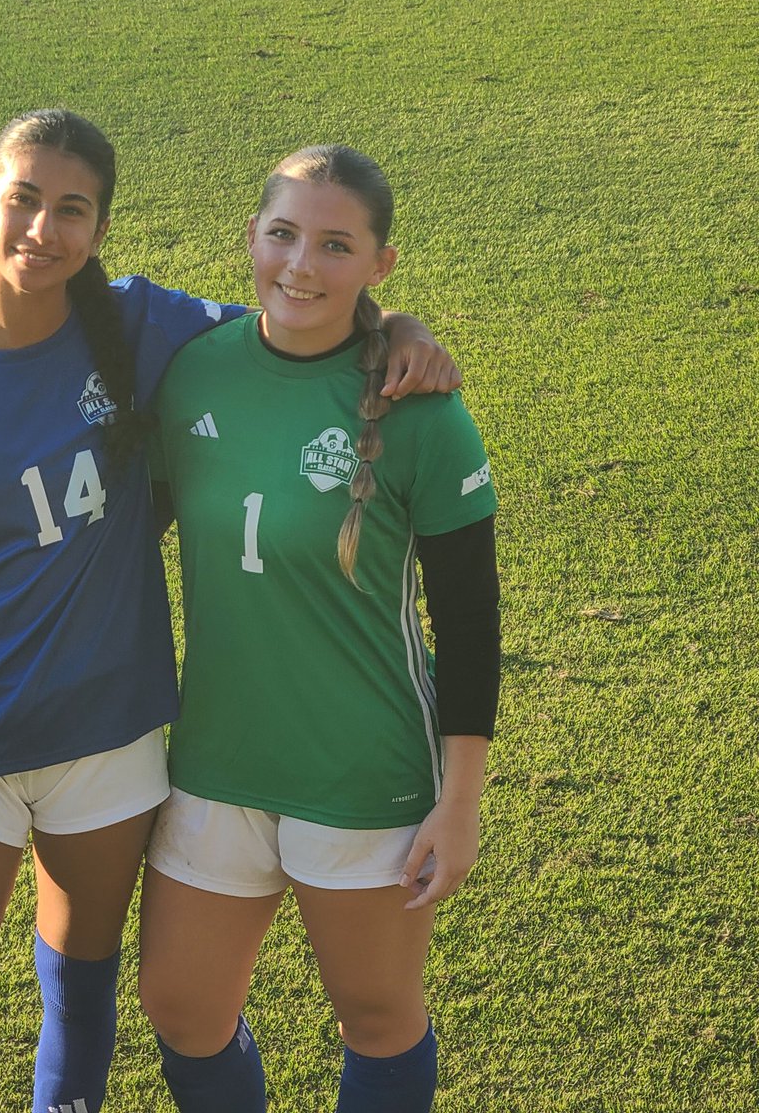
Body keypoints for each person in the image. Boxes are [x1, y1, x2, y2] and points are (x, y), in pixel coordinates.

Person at [0, 110, 460, 1113]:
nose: (43, 229)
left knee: (83, 998)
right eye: (24, 200)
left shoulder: (137, 323)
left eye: (71, 210)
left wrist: (397, 325)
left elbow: (298, 307)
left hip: (112, 739)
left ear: (99, 226)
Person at [139, 144, 500, 1113]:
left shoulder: (422, 410)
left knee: (376, 1015)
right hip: (217, 759)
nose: (301, 265)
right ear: (249, 239)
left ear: (381, 265)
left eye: (336, 245)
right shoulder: (190, 376)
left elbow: (470, 622)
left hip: (364, 771)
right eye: (284, 234)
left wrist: (459, 800)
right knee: (179, 1005)